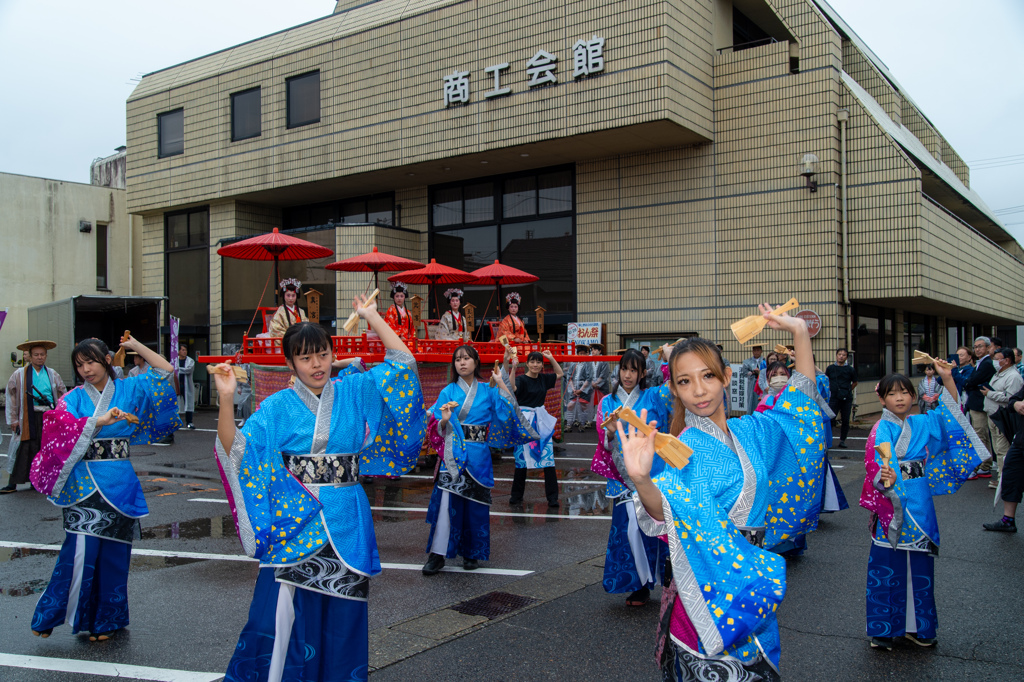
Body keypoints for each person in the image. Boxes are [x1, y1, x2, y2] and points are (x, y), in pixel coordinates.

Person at [210, 301, 424, 682]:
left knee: (344, 616)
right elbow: (237, 450)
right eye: (306, 358)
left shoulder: (355, 391)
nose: (317, 364)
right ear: (290, 364)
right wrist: (226, 398)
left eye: (323, 354)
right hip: (297, 519)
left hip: (348, 516)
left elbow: (402, 365)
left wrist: (373, 316)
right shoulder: (277, 407)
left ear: (333, 353)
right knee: (277, 615)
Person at [620, 307, 829, 680]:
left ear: (727, 377)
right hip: (707, 589)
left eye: (707, 377)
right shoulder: (680, 448)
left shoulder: (753, 431)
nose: (698, 390)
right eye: (684, 382)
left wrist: (800, 332)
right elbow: (664, 510)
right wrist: (641, 480)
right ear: (674, 389)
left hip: (750, 577)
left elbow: (801, 414)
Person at [29, 336, 180, 641]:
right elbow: (58, 428)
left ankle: (108, 620)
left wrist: (137, 345)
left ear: (107, 360)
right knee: (78, 552)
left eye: (91, 361)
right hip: (83, 482)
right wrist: (100, 419)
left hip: (120, 483)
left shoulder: (130, 388)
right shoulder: (72, 397)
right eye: (79, 364)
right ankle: (53, 613)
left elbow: (164, 371)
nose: (85, 369)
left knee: (114, 555)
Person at [859, 366, 990, 650]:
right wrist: (886, 474)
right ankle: (883, 628)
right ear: (882, 399)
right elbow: (881, 457)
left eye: (905, 392)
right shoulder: (881, 428)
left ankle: (920, 627)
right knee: (887, 565)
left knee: (920, 564)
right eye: (892, 394)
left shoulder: (921, 423)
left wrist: (946, 378)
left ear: (914, 396)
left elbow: (950, 414)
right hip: (893, 500)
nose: (900, 398)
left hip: (919, 500)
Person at [423, 345, 535, 575]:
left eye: (466, 358)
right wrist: (443, 422)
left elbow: (506, 413)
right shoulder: (447, 391)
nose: (462, 363)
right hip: (453, 455)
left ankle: (472, 552)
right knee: (446, 505)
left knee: (475, 506)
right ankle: (438, 553)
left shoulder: (488, 390)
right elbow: (435, 424)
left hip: (478, 455)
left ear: (476, 362)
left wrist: (501, 383)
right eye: (457, 360)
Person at [592, 349, 668, 607]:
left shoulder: (653, 397)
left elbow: (676, 389)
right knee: (627, 531)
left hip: (651, 474)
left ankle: (654, 582)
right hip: (621, 477)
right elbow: (603, 443)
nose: (627, 375)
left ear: (643, 373)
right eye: (624, 369)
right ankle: (635, 585)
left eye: (634, 370)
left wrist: (669, 359)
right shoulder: (606, 402)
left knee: (652, 531)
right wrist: (611, 433)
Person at [3, 340, 67, 494]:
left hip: (47, 415)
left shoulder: (53, 374)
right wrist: (13, 419)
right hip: (27, 415)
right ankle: (13, 484)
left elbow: (62, 394)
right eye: (36, 355)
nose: (39, 358)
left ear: (46, 356)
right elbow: (12, 397)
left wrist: (62, 414)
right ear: (30, 357)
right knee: (23, 447)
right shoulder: (19, 374)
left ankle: (37, 481)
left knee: (44, 448)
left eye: (42, 355)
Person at [507, 350, 564, 507]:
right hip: (524, 421)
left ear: (541, 365)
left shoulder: (544, 379)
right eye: (532, 361)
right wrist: (513, 368)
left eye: (538, 362)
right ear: (527, 363)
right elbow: (512, 388)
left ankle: (552, 497)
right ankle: (516, 495)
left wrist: (551, 357)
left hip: (540, 420)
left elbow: (560, 373)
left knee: (548, 459)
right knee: (521, 459)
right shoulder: (521, 379)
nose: (535, 364)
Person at [982, 347, 1023, 490]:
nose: (995, 361)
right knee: (997, 448)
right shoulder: (999, 373)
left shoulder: (1013, 376)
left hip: (1003, 416)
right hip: (993, 414)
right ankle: (1001, 476)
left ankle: (1003, 479)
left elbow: (1010, 398)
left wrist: (990, 394)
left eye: (998, 358)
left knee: (1002, 449)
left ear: (1007, 360)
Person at [964, 336, 995, 477]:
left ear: (988, 347)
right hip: (978, 403)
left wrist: (969, 382)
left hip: (980, 403)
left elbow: (972, 381)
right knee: (983, 435)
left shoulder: (987, 363)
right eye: (975, 347)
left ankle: (977, 468)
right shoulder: (980, 362)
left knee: (979, 436)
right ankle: (985, 465)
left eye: (980, 346)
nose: (977, 349)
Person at [826, 348, 858, 448]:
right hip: (834, 397)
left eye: (843, 355)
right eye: (839, 354)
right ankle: (828, 440)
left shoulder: (850, 369)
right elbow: (826, 380)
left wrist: (848, 390)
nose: (841, 356)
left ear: (846, 357)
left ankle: (842, 440)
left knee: (845, 419)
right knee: (830, 418)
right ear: (836, 355)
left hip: (846, 397)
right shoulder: (830, 368)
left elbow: (855, 382)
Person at [564, 345, 595, 432]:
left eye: (583, 353)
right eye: (580, 353)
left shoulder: (588, 364)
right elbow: (569, 377)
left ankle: (582, 424)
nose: (582, 355)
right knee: (570, 406)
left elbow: (589, 378)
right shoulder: (573, 364)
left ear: (587, 354)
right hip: (574, 387)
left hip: (584, 388)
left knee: (583, 406)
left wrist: (581, 390)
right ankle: (569, 425)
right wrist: (573, 389)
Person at [739, 345, 765, 415]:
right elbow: (744, 373)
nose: (756, 352)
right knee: (751, 399)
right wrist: (753, 372)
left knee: (762, 398)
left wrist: (760, 372)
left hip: (762, 383)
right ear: (752, 351)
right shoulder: (747, 362)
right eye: (755, 350)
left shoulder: (765, 361)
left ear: (761, 351)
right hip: (752, 383)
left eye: (758, 350)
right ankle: (751, 415)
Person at [175, 344, 196, 430]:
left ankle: (189, 422)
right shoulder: (175, 361)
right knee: (176, 404)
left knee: (189, 404)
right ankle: (176, 422)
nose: (184, 352)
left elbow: (188, 370)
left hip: (186, 385)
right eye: (182, 350)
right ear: (179, 351)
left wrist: (177, 369)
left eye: (185, 350)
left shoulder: (190, 361)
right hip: (177, 385)